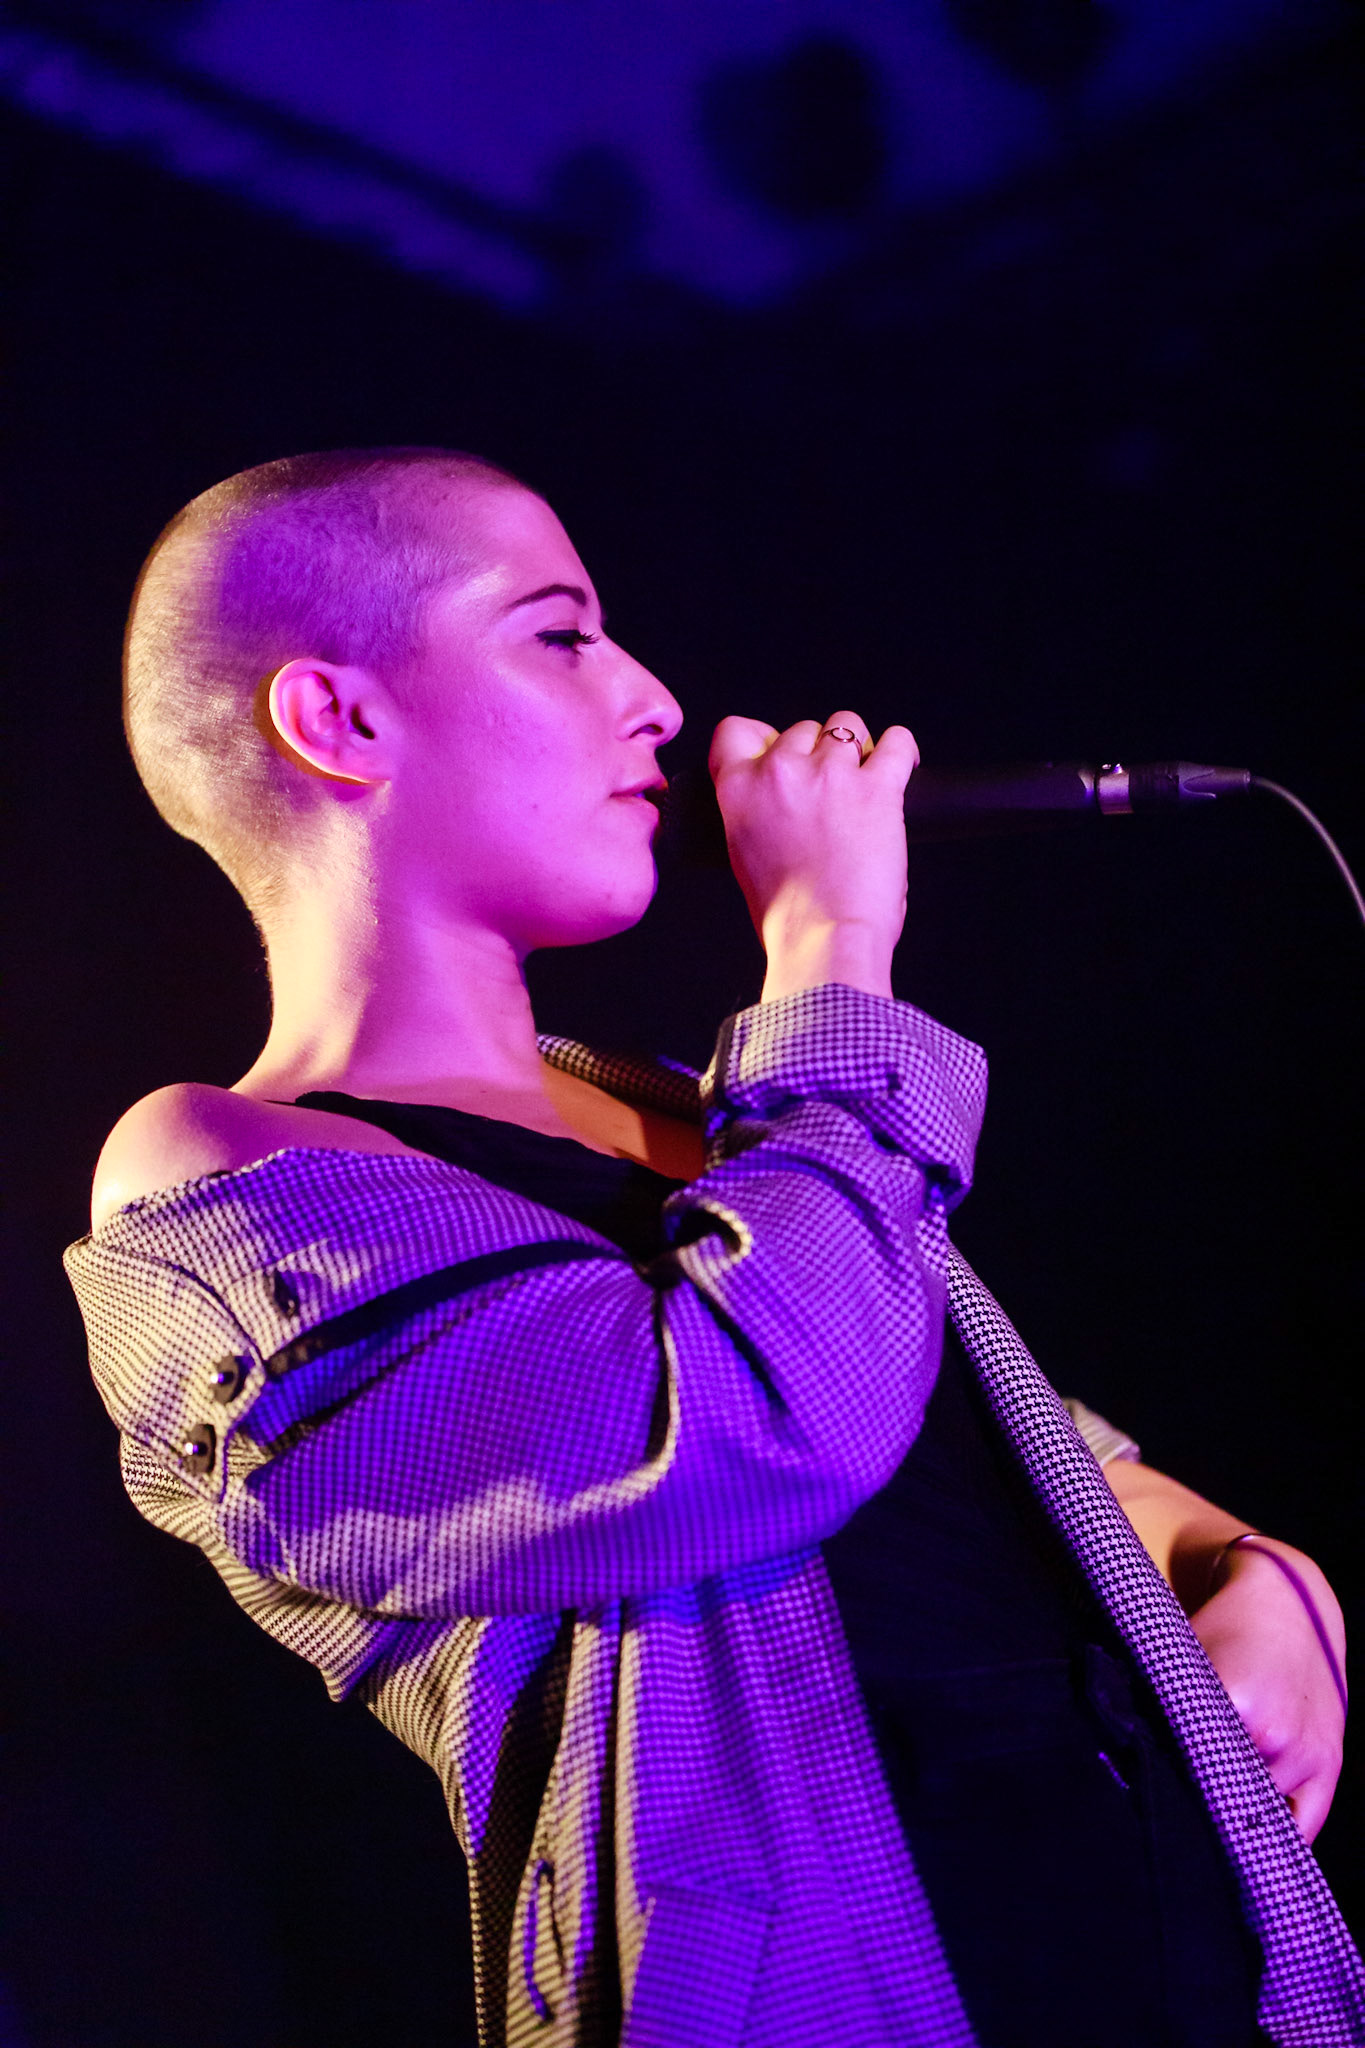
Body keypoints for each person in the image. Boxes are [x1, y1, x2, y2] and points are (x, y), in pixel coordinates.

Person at [66, 449, 1360, 2047]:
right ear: (339, 721)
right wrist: (829, 945)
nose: (660, 700)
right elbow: (744, 1428)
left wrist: (1264, 1584)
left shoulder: (701, 1114)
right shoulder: (217, 1169)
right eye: (560, 635)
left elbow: (1038, 1461)